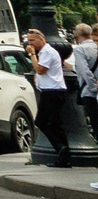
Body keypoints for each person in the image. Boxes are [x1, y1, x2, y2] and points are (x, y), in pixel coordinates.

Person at [33, 27, 74, 155]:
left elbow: (41, 69)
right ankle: (61, 148)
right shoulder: (44, 52)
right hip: (48, 90)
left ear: (41, 39)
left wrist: (32, 54)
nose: (30, 43)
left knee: (53, 122)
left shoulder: (47, 52)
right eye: (28, 40)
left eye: (32, 40)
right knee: (42, 121)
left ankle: (62, 148)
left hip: (53, 90)